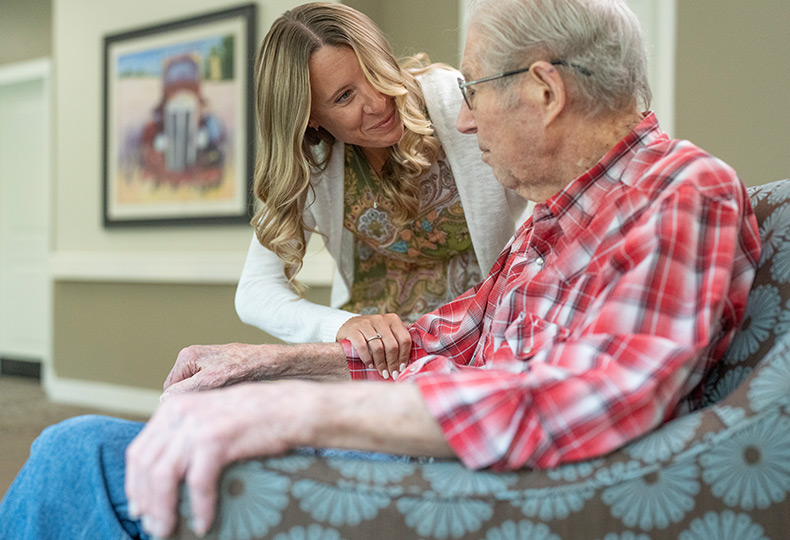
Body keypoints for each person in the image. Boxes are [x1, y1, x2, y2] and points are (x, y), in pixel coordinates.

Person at [0, 0, 761, 539]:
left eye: (474, 92)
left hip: (469, 480)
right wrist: (275, 366)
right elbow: (455, 330)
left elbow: (592, 395)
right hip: (419, 424)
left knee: (80, 458)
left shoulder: (681, 190)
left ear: (544, 91)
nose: (463, 117)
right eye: (341, 96)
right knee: (95, 447)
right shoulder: (562, 215)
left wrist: (294, 409)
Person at [234, 2, 528, 379]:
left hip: (477, 349)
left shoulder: (457, 105)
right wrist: (342, 325)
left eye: (376, 71)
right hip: (373, 364)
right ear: (309, 116)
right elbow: (255, 292)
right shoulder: (312, 163)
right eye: (344, 97)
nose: (377, 102)